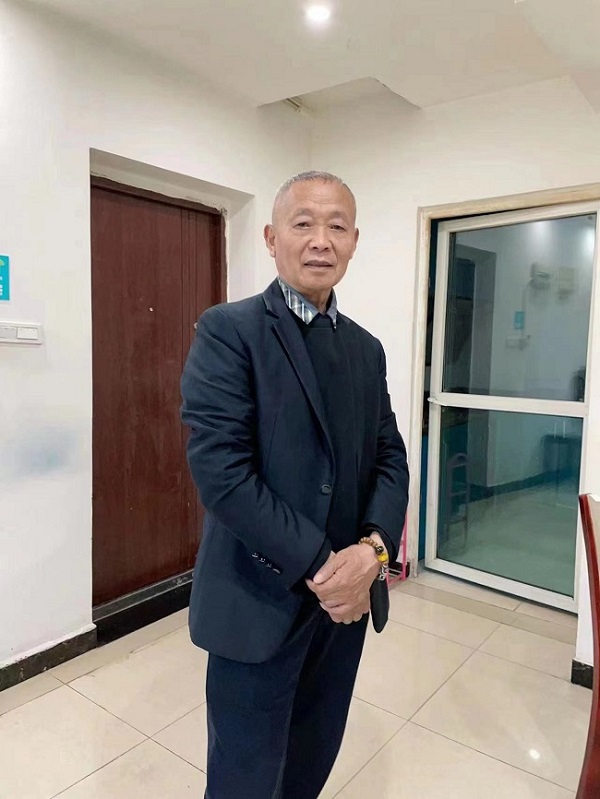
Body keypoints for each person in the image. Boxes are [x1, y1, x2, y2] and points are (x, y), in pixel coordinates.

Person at [181, 170, 409, 799]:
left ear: (354, 241)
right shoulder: (229, 332)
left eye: (337, 226)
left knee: (312, 758)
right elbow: (223, 473)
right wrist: (324, 564)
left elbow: (389, 456)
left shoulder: (366, 349)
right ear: (271, 236)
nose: (320, 240)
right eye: (303, 223)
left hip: (344, 609)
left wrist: (374, 551)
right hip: (258, 598)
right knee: (245, 777)